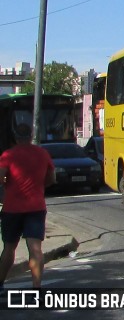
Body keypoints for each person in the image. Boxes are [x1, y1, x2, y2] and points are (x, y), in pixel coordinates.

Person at [0, 124, 55, 290]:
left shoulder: (8, 155)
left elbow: (0, 178)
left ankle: (0, 284)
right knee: (35, 249)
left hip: (12, 208)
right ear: (32, 136)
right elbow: (51, 178)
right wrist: (38, 187)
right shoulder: (42, 154)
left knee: (9, 248)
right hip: (36, 207)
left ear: (15, 137)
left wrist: (7, 189)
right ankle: (36, 288)